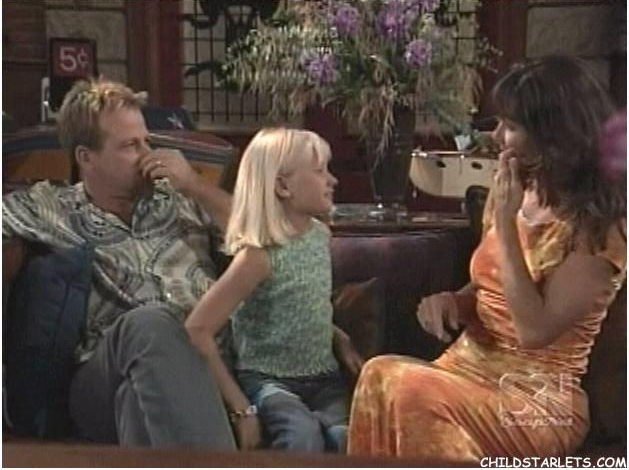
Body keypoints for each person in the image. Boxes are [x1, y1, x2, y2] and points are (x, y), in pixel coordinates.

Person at [347, 55, 626, 460]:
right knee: (378, 373)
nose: (495, 136)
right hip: (464, 368)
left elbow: (533, 330)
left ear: (553, 134)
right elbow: (490, 285)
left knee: (410, 388)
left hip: (536, 399)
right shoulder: (513, 189)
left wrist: (507, 223)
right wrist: (454, 301)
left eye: (510, 126)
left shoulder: (600, 228)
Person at [2, 78, 236, 449]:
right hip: (100, 377)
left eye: (146, 141)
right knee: (150, 323)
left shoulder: (182, 197)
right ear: (86, 157)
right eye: (130, 146)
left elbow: (263, 235)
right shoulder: (53, 207)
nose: (147, 155)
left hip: (207, 369)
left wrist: (195, 184)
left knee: (136, 403)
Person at [185, 127, 364, 452]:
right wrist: (241, 408)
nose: (332, 180)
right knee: (302, 437)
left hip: (325, 380)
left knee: (347, 440)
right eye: (320, 171)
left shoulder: (320, 236)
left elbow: (302, 306)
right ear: (283, 186)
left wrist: (339, 338)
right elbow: (198, 329)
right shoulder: (257, 256)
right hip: (269, 381)